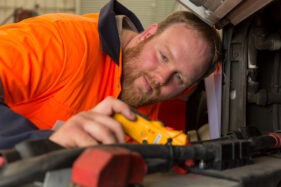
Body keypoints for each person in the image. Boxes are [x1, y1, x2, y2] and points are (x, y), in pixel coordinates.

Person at [0, 0, 221, 149]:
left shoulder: (149, 109)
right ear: (148, 34)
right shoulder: (63, 41)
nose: (162, 78)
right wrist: (44, 144)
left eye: (179, 78)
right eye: (163, 57)